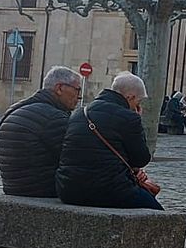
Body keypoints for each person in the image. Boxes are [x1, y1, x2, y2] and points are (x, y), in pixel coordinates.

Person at [0, 66, 83, 248]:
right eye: (76, 90)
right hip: (39, 188)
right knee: (96, 200)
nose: (79, 97)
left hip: (15, 186)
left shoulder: (20, 108)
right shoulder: (53, 118)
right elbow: (76, 158)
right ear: (59, 88)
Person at [57, 71, 162, 210]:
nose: (138, 106)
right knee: (158, 213)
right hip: (109, 190)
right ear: (130, 97)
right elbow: (141, 159)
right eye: (138, 101)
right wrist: (137, 121)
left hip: (68, 189)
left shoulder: (80, 113)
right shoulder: (129, 118)